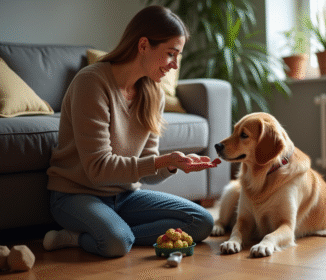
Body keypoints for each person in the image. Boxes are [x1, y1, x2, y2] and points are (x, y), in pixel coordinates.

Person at [42, 5, 219, 258]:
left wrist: (173, 164)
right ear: (144, 45)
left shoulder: (153, 93)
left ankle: (107, 231)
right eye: (171, 54)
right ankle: (82, 237)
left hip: (124, 197)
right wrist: (163, 160)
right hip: (75, 195)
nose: (174, 65)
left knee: (201, 222)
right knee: (117, 242)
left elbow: (148, 174)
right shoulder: (91, 83)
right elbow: (98, 169)